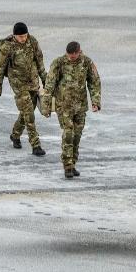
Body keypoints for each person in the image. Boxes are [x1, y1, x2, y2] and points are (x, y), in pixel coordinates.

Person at [45, 41, 100, 178]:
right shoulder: (59, 63)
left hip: (80, 107)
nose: (71, 58)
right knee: (68, 133)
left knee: (77, 136)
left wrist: (96, 102)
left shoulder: (87, 62)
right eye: (69, 56)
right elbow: (50, 84)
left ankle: (73, 163)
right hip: (63, 106)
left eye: (74, 56)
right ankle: (67, 166)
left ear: (79, 52)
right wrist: (46, 106)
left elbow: (94, 82)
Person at [0, 22, 48, 156]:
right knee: (29, 114)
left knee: (27, 111)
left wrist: (46, 81)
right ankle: (36, 145)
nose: (23, 39)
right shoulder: (7, 47)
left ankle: (15, 135)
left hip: (33, 81)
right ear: (14, 35)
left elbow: (39, 61)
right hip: (18, 84)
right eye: (20, 36)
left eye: (25, 35)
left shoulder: (32, 41)